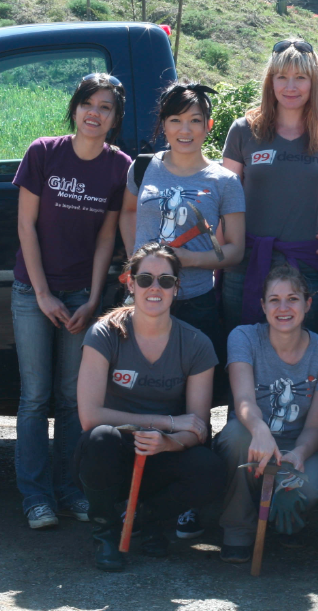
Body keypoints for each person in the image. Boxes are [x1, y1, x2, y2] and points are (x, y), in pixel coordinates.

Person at [120, 81, 245, 538]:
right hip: (144, 304)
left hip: (193, 306)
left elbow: (234, 251)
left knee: (193, 410)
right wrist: (140, 265)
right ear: (163, 125)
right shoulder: (144, 168)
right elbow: (128, 214)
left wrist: (182, 262)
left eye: (195, 120)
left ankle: (186, 499)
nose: (185, 129)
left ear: (209, 125)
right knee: (142, 401)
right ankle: (137, 494)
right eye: (175, 120)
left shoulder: (223, 181)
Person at [12, 73, 132, 529]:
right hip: (32, 292)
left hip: (82, 294)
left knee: (70, 397)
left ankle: (69, 490)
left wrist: (94, 299)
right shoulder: (44, 152)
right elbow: (26, 228)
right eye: (88, 103)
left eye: (105, 107)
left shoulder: (118, 167)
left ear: (114, 118)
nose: (94, 113)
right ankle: (36, 497)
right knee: (35, 397)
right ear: (75, 107)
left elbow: (107, 239)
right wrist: (42, 294)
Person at [74, 243, 227, 571]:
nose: (155, 288)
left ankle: (151, 518)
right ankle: (106, 531)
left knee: (210, 469)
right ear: (130, 283)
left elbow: (198, 427)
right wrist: (165, 422)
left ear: (177, 287)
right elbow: (89, 416)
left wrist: (170, 441)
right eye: (145, 280)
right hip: (116, 448)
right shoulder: (105, 333)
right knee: (98, 438)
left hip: (162, 452)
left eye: (165, 281)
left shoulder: (197, 344)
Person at [214, 264, 318, 563]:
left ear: (308, 304)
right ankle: (238, 529)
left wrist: (298, 454)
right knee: (235, 436)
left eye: (293, 299)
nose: (283, 307)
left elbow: (314, 428)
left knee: (310, 488)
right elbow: (244, 399)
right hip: (251, 436)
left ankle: (285, 522)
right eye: (274, 299)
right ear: (262, 305)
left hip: (297, 446)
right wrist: (260, 431)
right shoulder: (243, 337)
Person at [221, 38, 318, 339]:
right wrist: (217, 261)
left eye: (300, 77)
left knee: (304, 358)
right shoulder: (243, 130)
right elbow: (223, 201)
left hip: (306, 266)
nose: (291, 86)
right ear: (270, 81)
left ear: (313, 83)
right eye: (282, 77)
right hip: (245, 265)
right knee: (241, 354)